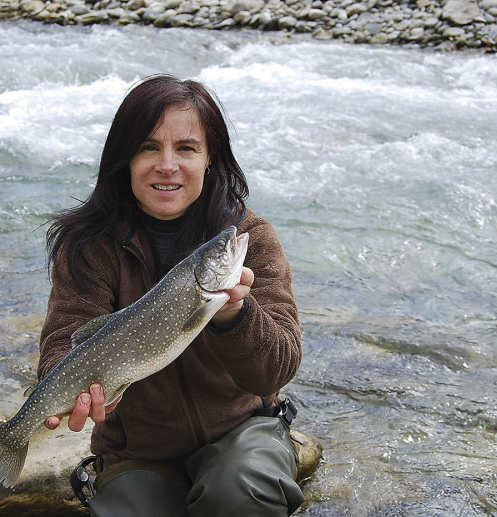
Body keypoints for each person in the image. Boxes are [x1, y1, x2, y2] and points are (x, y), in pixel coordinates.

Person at [38, 74, 304, 516]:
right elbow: (63, 344)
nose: (167, 165)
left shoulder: (248, 237)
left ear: (209, 159)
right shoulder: (86, 245)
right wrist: (78, 396)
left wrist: (234, 314)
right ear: (123, 158)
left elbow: (276, 370)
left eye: (185, 148)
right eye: (148, 147)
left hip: (241, 433)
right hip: (135, 450)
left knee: (238, 494)